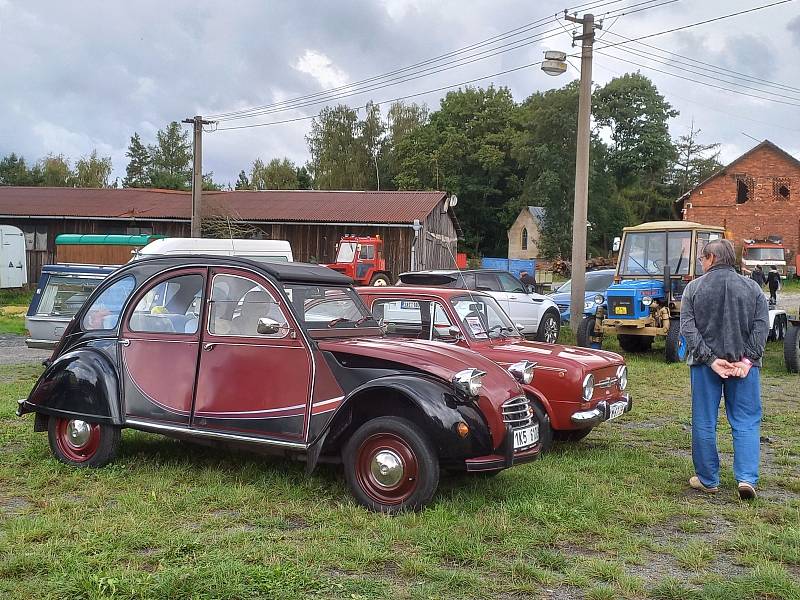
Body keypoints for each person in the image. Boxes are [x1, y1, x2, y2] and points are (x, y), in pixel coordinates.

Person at [680, 238, 769, 500]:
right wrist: (747, 361)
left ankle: (708, 479)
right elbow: (762, 325)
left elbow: (688, 327)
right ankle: (746, 478)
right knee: (746, 421)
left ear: (710, 258)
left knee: (704, 420)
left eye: (701, 259)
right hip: (744, 368)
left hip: (705, 367)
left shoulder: (693, 289)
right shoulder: (753, 288)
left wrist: (710, 359)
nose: (701, 264)